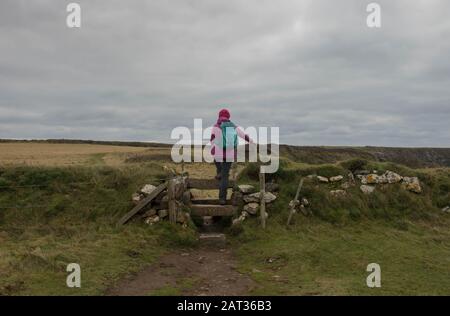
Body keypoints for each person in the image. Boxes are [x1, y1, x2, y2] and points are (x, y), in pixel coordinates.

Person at [210, 108, 252, 204]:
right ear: (228, 117)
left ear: (219, 116)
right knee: (225, 177)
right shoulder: (233, 126)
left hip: (218, 153)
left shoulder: (216, 126)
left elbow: (212, 139)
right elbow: (243, 135)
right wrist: (251, 140)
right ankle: (222, 199)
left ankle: (219, 172)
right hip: (229, 154)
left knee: (217, 161)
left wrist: (213, 150)